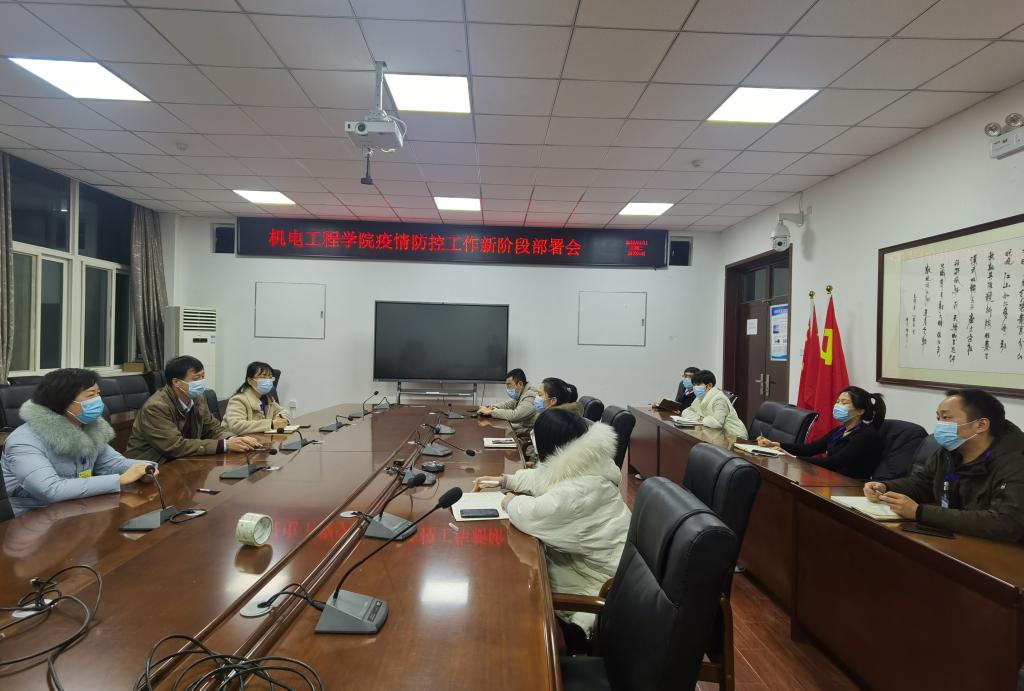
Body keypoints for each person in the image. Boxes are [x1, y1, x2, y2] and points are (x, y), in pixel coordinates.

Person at [473, 408, 631, 649]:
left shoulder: (577, 494)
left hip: (595, 590)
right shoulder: (589, 464)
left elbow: (533, 514)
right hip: (596, 569)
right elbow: (546, 477)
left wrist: (510, 501)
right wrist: (507, 480)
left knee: (510, 593)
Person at [864, 389, 1024, 542]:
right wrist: (885, 487)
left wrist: (920, 512)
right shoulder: (950, 451)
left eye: (946, 418)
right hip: (956, 538)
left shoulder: (1015, 461)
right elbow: (924, 483)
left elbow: (1006, 522)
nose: (940, 425)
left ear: (981, 425)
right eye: (938, 418)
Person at [1, 368, 155, 516]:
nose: (98, 400)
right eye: (91, 395)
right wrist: (118, 481)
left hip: (76, 508)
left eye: (98, 394)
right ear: (63, 400)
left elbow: (114, 463)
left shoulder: (88, 428)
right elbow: (51, 489)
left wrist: (146, 468)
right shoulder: (24, 441)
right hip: (31, 518)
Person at [126, 355, 260, 462]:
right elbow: (174, 446)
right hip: (152, 466)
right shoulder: (156, 407)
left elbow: (212, 429)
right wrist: (224, 445)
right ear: (176, 382)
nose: (201, 382)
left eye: (203, 377)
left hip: (182, 460)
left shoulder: (198, 398)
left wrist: (233, 439)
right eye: (196, 378)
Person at [757, 386, 885, 478]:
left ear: (860, 411)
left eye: (844, 403)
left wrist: (793, 458)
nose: (837, 406)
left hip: (851, 486)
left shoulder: (866, 435)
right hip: (832, 479)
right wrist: (777, 444)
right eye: (837, 402)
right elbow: (810, 449)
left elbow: (834, 462)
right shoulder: (840, 430)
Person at [224, 361, 290, 435]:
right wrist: (271, 424)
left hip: (261, 438)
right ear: (250, 380)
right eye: (263, 377)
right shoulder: (238, 400)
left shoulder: (267, 398)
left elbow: (282, 411)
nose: (268, 381)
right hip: (236, 440)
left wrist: (280, 418)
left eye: (270, 377)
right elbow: (236, 426)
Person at [684, 369, 747, 438]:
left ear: (709, 385)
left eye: (698, 384)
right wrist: (700, 418)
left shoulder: (719, 399)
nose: (695, 387)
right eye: (694, 385)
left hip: (734, 436)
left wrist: (700, 418)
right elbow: (686, 412)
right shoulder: (700, 398)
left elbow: (717, 423)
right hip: (716, 433)